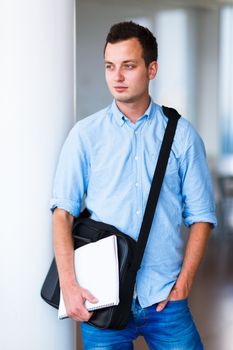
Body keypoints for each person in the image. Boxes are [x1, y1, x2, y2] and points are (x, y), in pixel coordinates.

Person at [50, 21, 217, 349]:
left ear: (151, 69)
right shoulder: (85, 135)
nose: (118, 76)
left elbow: (202, 215)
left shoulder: (182, 135)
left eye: (129, 66)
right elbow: (62, 214)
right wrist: (69, 285)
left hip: (166, 300)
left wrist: (184, 284)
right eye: (110, 66)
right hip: (101, 300)